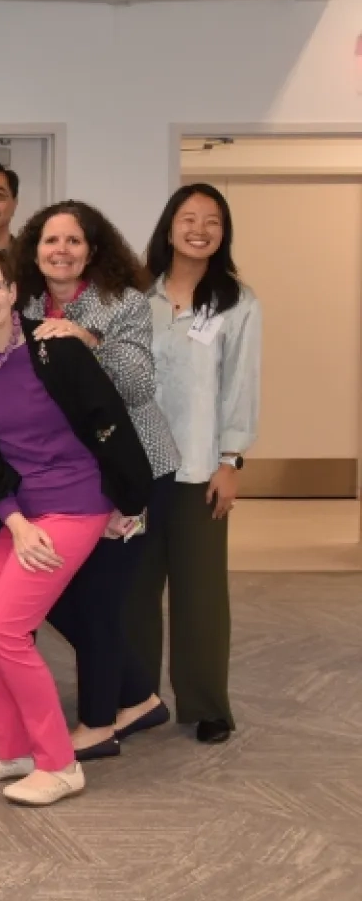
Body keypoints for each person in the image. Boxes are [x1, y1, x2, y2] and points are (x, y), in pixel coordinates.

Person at [0, 245, 151, 807]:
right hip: (24, 509)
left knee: (5, 629)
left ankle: (59, 764)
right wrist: (12, 519)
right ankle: (13, 749)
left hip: (78, 502)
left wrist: (128, 500)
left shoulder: (53, 347)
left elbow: (109, 420)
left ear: (13, 292)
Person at [15, 200, 178, 759]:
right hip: (67, 474)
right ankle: (137, 698)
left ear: (92, 249)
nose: (61, 251)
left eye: (73, 241)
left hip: (132, 468)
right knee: (60, 592)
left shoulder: (124, 302)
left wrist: (89, 341)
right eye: (50, 241)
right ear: (34, 252)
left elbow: (137, 384)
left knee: (101, 600)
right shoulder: (23, 305)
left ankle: (99, 722)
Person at [132, 183, 261, 745]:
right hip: (137, 467)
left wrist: (232, 459)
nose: (201, 229)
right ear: (169, 227)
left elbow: (240, 387)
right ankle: (135, 699)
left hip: (200, 469)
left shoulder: (238, 301)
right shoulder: (137, 296)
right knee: (133, 590)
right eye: (189, 218)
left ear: (223, 233)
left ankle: (206, 703)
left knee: (201, 593)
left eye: (213, 220)